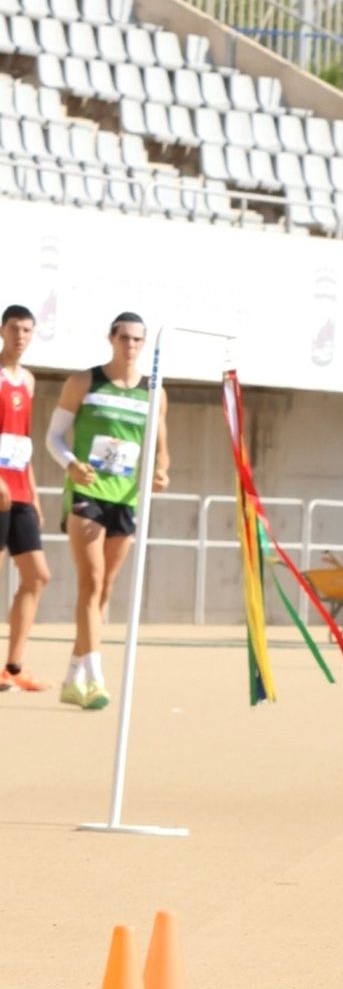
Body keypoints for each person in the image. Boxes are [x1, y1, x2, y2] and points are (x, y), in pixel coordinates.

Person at [47, 312, 169, 712]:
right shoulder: (84, 382)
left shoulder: (154, 391)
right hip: (87, 490)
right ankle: (96, 678)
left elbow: (159, 446)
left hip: (126, 497)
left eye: (137, 340)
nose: (130, 346)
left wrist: (162, 471)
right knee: (92, 580)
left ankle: (72, 676)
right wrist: (70, 464)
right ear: (111, 339)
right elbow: (53, 436)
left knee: (107, 588)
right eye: (124, 338)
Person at [0, 303, 50, 695]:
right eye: (15, 328)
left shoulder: (29, 381)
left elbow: (23, 439)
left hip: (20, 491)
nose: (21, 336)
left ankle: (13, 667)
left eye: (28, 330)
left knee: (37, 575)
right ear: (2, 330)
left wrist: (32, 493)